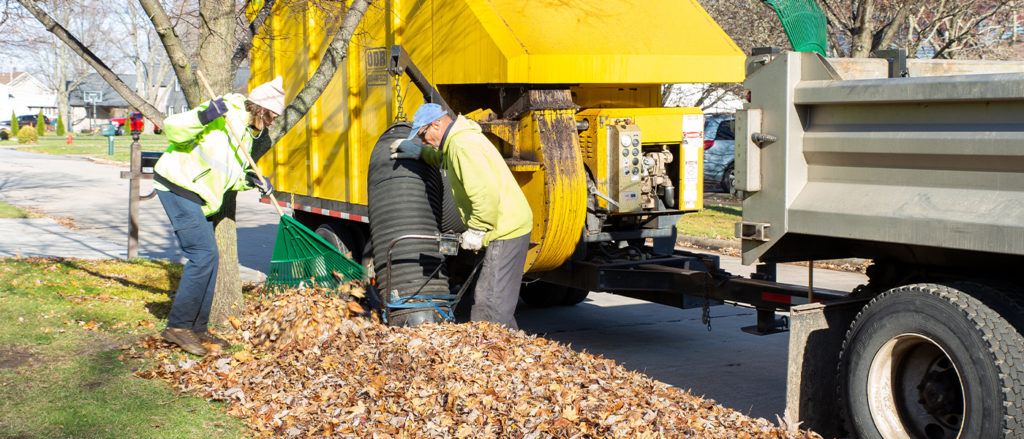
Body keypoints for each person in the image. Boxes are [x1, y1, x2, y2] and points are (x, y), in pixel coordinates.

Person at [153, 76, 285, 355]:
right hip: (178, 185)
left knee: (211, 259)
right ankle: (177, 327)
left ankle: (197, 328)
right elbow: (173, 129)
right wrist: (205, 115)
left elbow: (229, 176)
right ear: (260, 108)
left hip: (202, 196)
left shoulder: (247, 134)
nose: (273, 122)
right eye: (272, 116)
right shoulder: (223, 110)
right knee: (203, 255)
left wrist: (252, 180)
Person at [390, 103, 533, 329]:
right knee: (491, 303)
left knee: (489, 310)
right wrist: (420, 152)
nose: (423, 140)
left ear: (436, 124)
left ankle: (500, 359)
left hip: (504, 229)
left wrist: (477, 229)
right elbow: (445, 159)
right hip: (504, 226)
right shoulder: (456, 141)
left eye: (423, 135)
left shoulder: (463, 145)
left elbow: (484, 193)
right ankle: (509, 355)